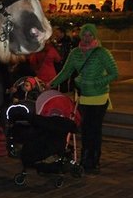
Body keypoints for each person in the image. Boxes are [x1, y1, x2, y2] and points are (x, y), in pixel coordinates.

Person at [46, 24, 118, 173]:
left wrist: (97, 83)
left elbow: (114, 73)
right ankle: (85, 159)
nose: (86, 38)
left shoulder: (102, 53)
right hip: (83, 97)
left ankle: (94, 160)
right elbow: (66, 71)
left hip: (99, 97)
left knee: (95, 129)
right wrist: (51, 84)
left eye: (89, 35)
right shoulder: (75, 53)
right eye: (84, 35)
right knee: (85, 129)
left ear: (95, 36)